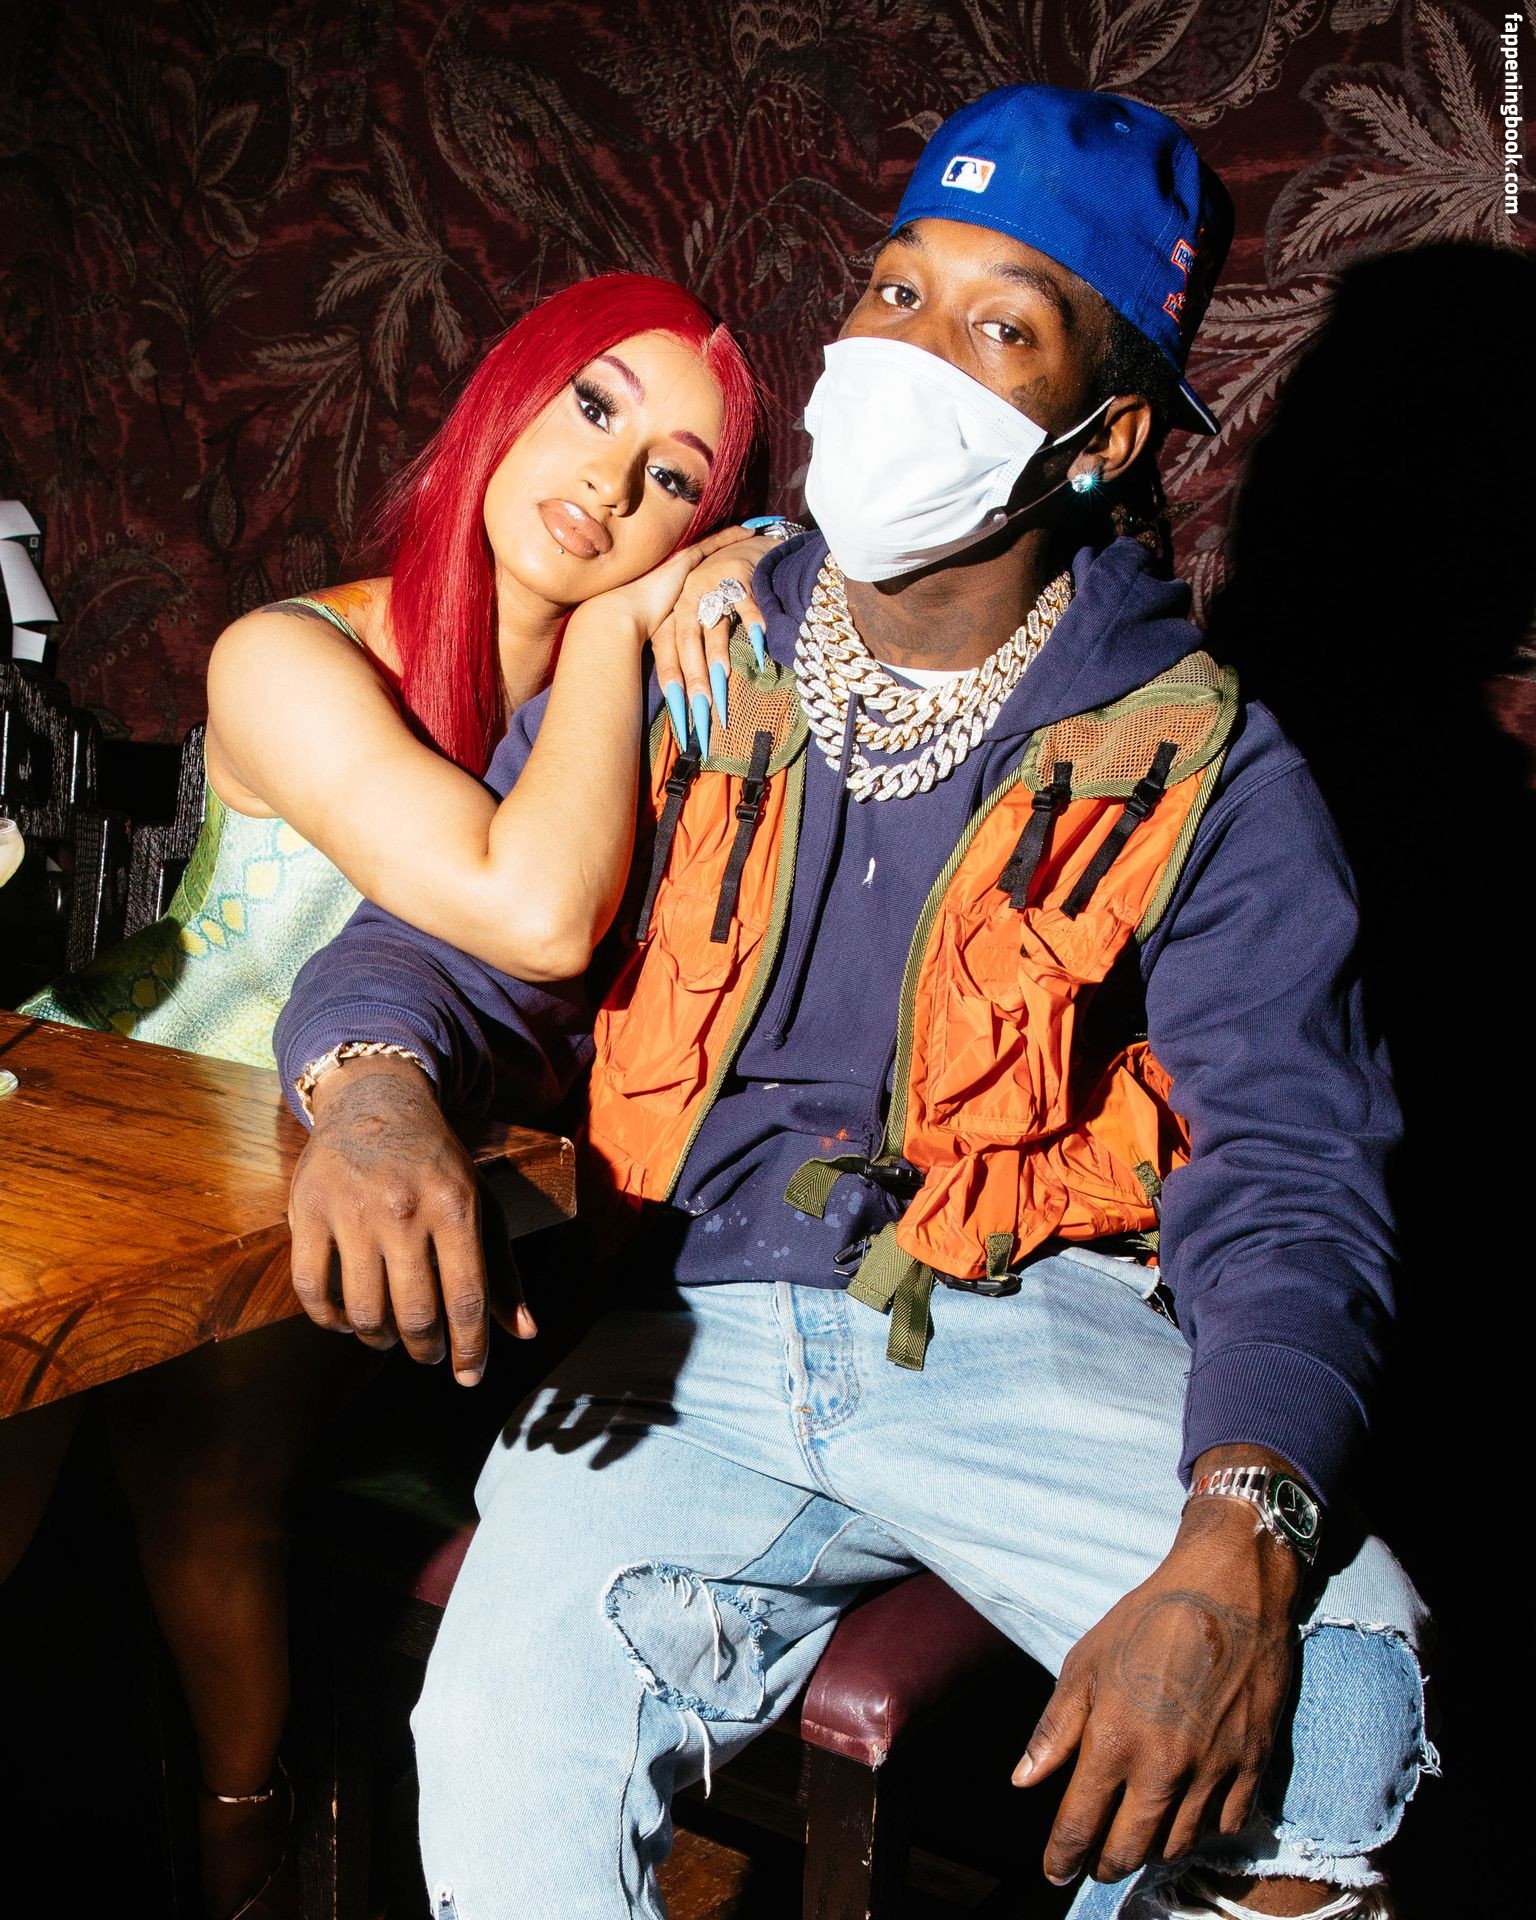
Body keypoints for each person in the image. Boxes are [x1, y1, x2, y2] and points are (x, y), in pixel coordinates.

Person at [275, 89, 1434, 1920]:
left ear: (1106, 434)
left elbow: (1296, 1178)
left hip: (1032, 1332)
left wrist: (1238, 1535)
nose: (909, 356)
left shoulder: (1206, 765)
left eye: (999, 327)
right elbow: (452, 944)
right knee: (498, 1755)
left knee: (1342, 1707)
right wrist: (364, 1086)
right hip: (688, 1336)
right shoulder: (691, 642)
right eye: (896, 293)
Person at [4, 271, 769, 1919]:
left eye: (674, 478)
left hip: (337, 1176)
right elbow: (527, 906)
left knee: (206, 1463)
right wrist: (629, 620)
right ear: (509, 397)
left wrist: (683, 607)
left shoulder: (634, 709)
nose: (611, 480)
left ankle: (241, 1846)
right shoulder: (287, 652)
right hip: (126, 1105)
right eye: (593, 406)